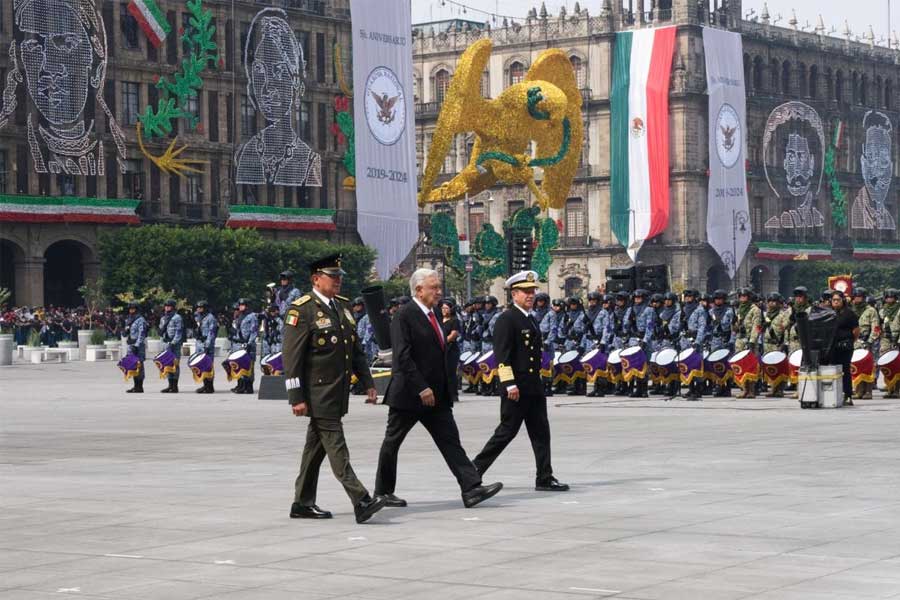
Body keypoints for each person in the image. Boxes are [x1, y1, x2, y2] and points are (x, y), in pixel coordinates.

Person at [374, 269, 503, 509]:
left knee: (450, 441)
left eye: (438, 287)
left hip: (437, 395)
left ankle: (471, 488)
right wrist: (421, 387)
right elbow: (402, 356)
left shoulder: (433, 314)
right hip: (411, 395)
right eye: (434, 287)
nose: (439, 292)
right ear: (419, 289)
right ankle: (383, 492)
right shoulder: (404, 315)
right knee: (392, 442)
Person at [282, 253, 384, 524]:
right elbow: (292, 358)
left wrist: (368, 382)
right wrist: (296, 397)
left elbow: (355, 351)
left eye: (339, 277)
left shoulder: (343, 307)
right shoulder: (301, 310)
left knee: (314, 450)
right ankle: (361, 499)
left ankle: (302, 503)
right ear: (316, 279)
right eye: (333, 276)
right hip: (317, 393)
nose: (338, 281)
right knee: (337, 447)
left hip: (336, 392)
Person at [473, 271, 569, 492]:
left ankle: (544, 477)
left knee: (541, 432)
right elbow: (502, 355)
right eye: (526, 291)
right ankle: (473, 471)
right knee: (506, 432)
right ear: (513, 294)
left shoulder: (530, 317)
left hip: (533, 384)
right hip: (516, 386)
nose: (531, 295)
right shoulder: (507, 319)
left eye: (533, 291)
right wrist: (509, 384)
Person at [829, 291, 859, 405]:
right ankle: (834, 394)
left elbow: (856, 331)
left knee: (845, 370)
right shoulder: (830, 313)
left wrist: (850, 340)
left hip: (845, 346)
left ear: (843, 301)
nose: (836, 302)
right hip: (832, 347)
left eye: (838, 300)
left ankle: (848, 395)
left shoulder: (849, 313)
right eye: (834, 300)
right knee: (832, 369)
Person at [851, 287, 881, 400]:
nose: (857, 299)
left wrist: (870, 340)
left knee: (868, 367)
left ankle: (868, 391)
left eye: (860, 297)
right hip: (854, 342)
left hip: (867, 342)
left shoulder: (871, 310)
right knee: (855, 366)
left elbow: (876, 328)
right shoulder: (851, 310)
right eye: (856, 297)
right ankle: (859, 390)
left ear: (864, 298)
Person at [230, 298, 259, 394]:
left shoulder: (252, 316)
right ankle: (241, 385)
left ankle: (249, 386)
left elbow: (254, 331)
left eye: (243, 305)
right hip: (240, 344)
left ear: (247, 306)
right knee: (240, 365)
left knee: (249, 365)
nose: (240, 306)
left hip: (248, 345)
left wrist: (249, 343)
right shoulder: (240, 316)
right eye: (240, 305)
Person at [159, 299, 184, 393]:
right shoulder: (163, 318)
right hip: (166, 343)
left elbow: (179, 332)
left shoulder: (177, 317)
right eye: (165, 306)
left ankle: (175, 386)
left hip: (174, 345)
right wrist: (163, 341)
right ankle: (169, 385)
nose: (166, 308)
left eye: (169, 306)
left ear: (173, 307)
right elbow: (161, 331)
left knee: (175, 364)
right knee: (167, 364)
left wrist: (173, 342)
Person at [194, 301, 218, 394]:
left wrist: (208, 345)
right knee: (201, 365)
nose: (198, 309)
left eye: (201, 307)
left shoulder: (210, 318)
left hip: (206, 344)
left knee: (208, 365)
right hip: (200, 343)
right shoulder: (199, 317)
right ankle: (205, 385)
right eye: (198, 307)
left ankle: (210, 386)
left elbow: (211, 333)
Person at [439, 299, 462, 393]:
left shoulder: (454, 320)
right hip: (441, 349)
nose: (444, 310)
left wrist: (441, 341)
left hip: (451, 349)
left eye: (446, 308)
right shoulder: (439, 319)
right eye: (442, 308)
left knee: (450, 372)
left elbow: (453, 335)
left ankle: (453, 393)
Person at [125, 302, 148, 394]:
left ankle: (140, 386)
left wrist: (137, 345)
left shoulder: (140, 320)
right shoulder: (129, 319)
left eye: (133, 309)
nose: (131, 310)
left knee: (139, 365)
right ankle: (135, 386)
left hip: (138, 346)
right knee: (133, 365)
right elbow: (128, 331)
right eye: (130, 309)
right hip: (131, 344)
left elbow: (142, 334)